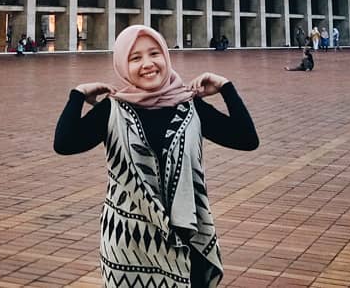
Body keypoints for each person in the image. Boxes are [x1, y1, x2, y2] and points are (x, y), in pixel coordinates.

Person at [54, 25, 258, 287]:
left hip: (186, 243)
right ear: (122, 65)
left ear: (166, 56)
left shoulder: (189, 105)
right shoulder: (113, 109)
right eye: (135, 58)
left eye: (154, 54)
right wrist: (77, 96)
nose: (148, 64)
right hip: (129, 246)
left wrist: (226, 88)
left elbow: (246, 139)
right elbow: (65, 143)